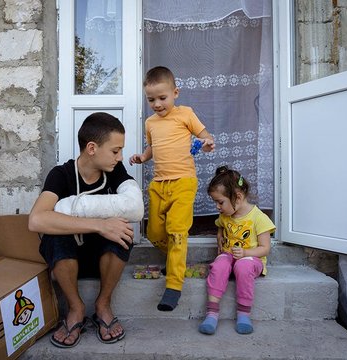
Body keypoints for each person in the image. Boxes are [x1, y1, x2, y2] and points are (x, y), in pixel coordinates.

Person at [28, 112, 144, 348]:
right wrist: (100, 225)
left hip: (103, 258)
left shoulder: (115, 172)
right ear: (92, 148)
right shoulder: (61, 175)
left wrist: (109, 228)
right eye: (115, 150)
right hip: (68, 259)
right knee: (53, 235)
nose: (120, 157)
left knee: (123, 231)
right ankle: (76, 307)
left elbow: (134, 206)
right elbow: (36, 220)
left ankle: (103, 304)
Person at [129, 66, 215, 311]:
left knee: (177, 232)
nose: (157, 104)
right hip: (159, 184)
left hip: (184, 182)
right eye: (151, 100)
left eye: (162, 98)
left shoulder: (185, 114)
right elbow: (152, 147)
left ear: (175, 93)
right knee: (155, 232)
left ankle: (174, 285)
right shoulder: (150, 123)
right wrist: (142, 157)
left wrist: (207, 143)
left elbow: (204, 135)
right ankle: (175, 256)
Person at [198, 165, 275, 335]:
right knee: (218, 266)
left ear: (238, 197)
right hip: (229, 255)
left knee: (243, 266)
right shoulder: (225, 215)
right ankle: (212, 313)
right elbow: (220, 225)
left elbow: (265, 248)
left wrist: (246, 253)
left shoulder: (258, 217)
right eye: (215, 202)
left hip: (251, 259)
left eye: (220, 202)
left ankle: (243, 314)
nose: (218, 207)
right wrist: (219, 235)